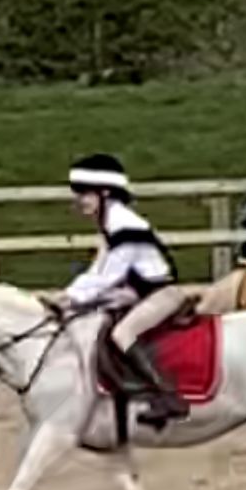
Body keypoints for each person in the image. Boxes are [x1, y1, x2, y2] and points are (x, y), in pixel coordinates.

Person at [61, 152, 190, 424]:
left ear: (105, 192)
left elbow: (108, 275)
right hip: (137, 292)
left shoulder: (124, 225)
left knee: (123, 333)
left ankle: (167, 396)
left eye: (84, 193)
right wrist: (71, 295)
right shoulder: (109, 222)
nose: (79, 200)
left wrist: (72, 298)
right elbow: (97, 268)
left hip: (159, 294)